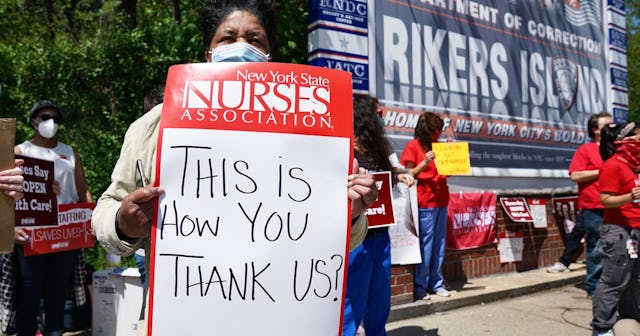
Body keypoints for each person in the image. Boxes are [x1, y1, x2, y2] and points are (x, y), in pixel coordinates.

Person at [91, 1, 377, 335]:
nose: (242, 47)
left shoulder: (310, 130)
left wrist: (352, 214)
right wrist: (123, 223)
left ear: (270, 56)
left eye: (255, 40)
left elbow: (346, 242)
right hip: (183, 320)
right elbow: (105, 212)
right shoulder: (154, 126)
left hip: (279, 320)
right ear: (208, 53)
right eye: (228, 38)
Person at [12, 99, 93, 336]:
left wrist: (89, 220)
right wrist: (10, 228)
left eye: (55, 119)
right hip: (31, 233)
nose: (51, 122)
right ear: (33, 121)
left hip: (64, 232)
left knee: (58, 287)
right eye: (46, 117)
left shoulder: (69, 152)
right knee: (29, 289)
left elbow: (82, 190)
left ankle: (54, 331)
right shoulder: (20, 151)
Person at [342, 96, 413, 336]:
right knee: (352, 302)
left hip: (381, 236)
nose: (382, 120)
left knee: (379, 301)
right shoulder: (345, 151)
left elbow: (391, 173)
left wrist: (401, 175)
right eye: (378, 114)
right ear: (365, 117)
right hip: (356, 240)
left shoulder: (378, 152)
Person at [547, 112, 611, 297]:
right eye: (606, 125)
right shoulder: (586, 150)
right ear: (595, 130)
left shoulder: (615, 149)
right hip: (594, 206)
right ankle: (594, 289)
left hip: (617, 205)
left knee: (617, 249)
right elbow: (575, 175)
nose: (611, 128)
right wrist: (601, 171)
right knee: (597, 249)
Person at [590, 121, 640, 336]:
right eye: (638, 136)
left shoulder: (631, 166)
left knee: (632, 279)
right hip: (619, 231)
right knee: (614, 280)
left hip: (634, 230)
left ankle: (631, 317)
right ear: (625, 140)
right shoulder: (613, 165)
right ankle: (602, 328)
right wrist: (630, 196)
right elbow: (606, 200)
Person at [400, 112, 450, 300]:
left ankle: (436, 282)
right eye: (436, 131)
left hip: (441, 200)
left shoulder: (440, 147)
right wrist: (426, 161)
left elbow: (449, 173)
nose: (438, 134)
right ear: (427, 131)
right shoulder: (413, 146)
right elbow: (408, 173)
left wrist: (453, 156)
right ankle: (420, 286)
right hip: (424, 202)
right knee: (426, 245)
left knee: (439, 244)